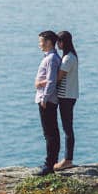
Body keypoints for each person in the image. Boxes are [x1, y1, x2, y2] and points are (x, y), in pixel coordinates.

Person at [34, 30, 61, 175]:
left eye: (41, 41)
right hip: (47, 98)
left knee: (50, 133)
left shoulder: (51, 59)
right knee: (51, 132)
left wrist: (44, 98)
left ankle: (49, 165)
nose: (40, 44)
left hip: (47, 100)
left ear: (49, 42)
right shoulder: (51, 57)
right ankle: (51, 162)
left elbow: (51, 80)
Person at [54, 30, 79, 170]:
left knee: (67, 128)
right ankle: (67, 158)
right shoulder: (70, 56)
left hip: (66, 97)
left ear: (63, 42)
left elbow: (59, 77)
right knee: (67, 128)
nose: (57, 44)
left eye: (58, 41)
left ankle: (68, 159)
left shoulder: (68, 58)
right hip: (68, 95)